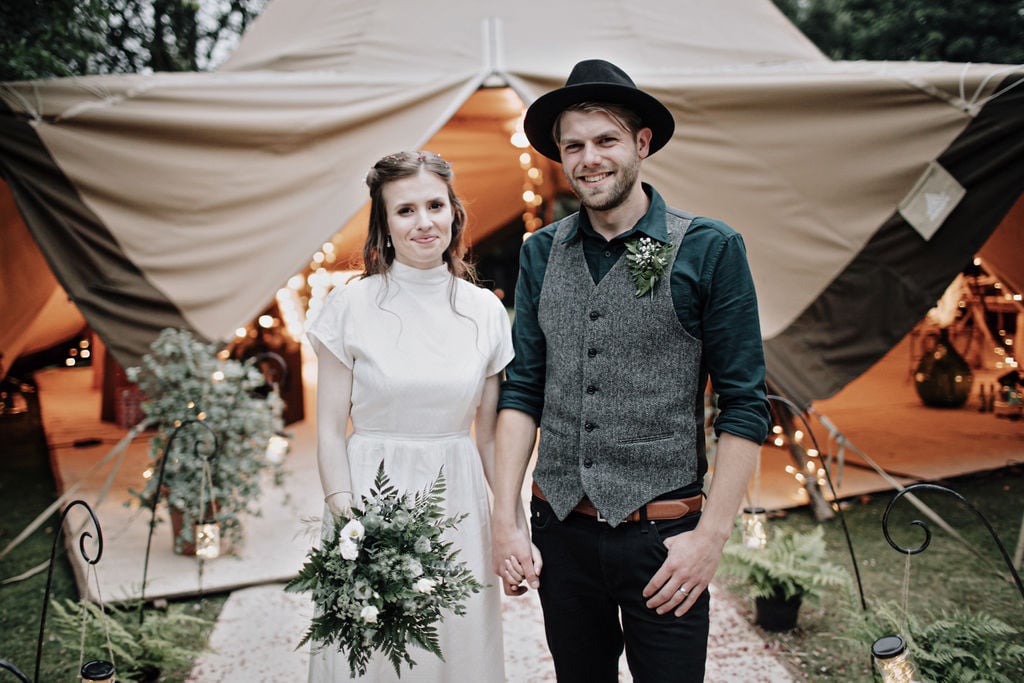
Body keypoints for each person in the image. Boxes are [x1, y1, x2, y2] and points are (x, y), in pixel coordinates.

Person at [490, 59, 771, 681]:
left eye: (606, 140)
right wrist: (505, 520)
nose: (590, 159)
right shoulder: (540, 252)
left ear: (642, 144)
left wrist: (711, 538)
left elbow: (745, 405)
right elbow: (523, 391)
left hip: (663, 539)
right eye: (574, 146)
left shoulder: (710, 248)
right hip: (560, 530)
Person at [305, 150, 513, 682]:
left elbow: (489, 438)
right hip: (367, 496)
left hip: (456, 497)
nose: (424, 222)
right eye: (405, 210)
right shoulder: (349, 306)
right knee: (371, 651)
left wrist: (513, 525)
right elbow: (328, 431)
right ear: (384, 224)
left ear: (454, 213)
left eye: (434, 206)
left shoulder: (486, 311)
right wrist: (350, 522)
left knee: (456, 642)